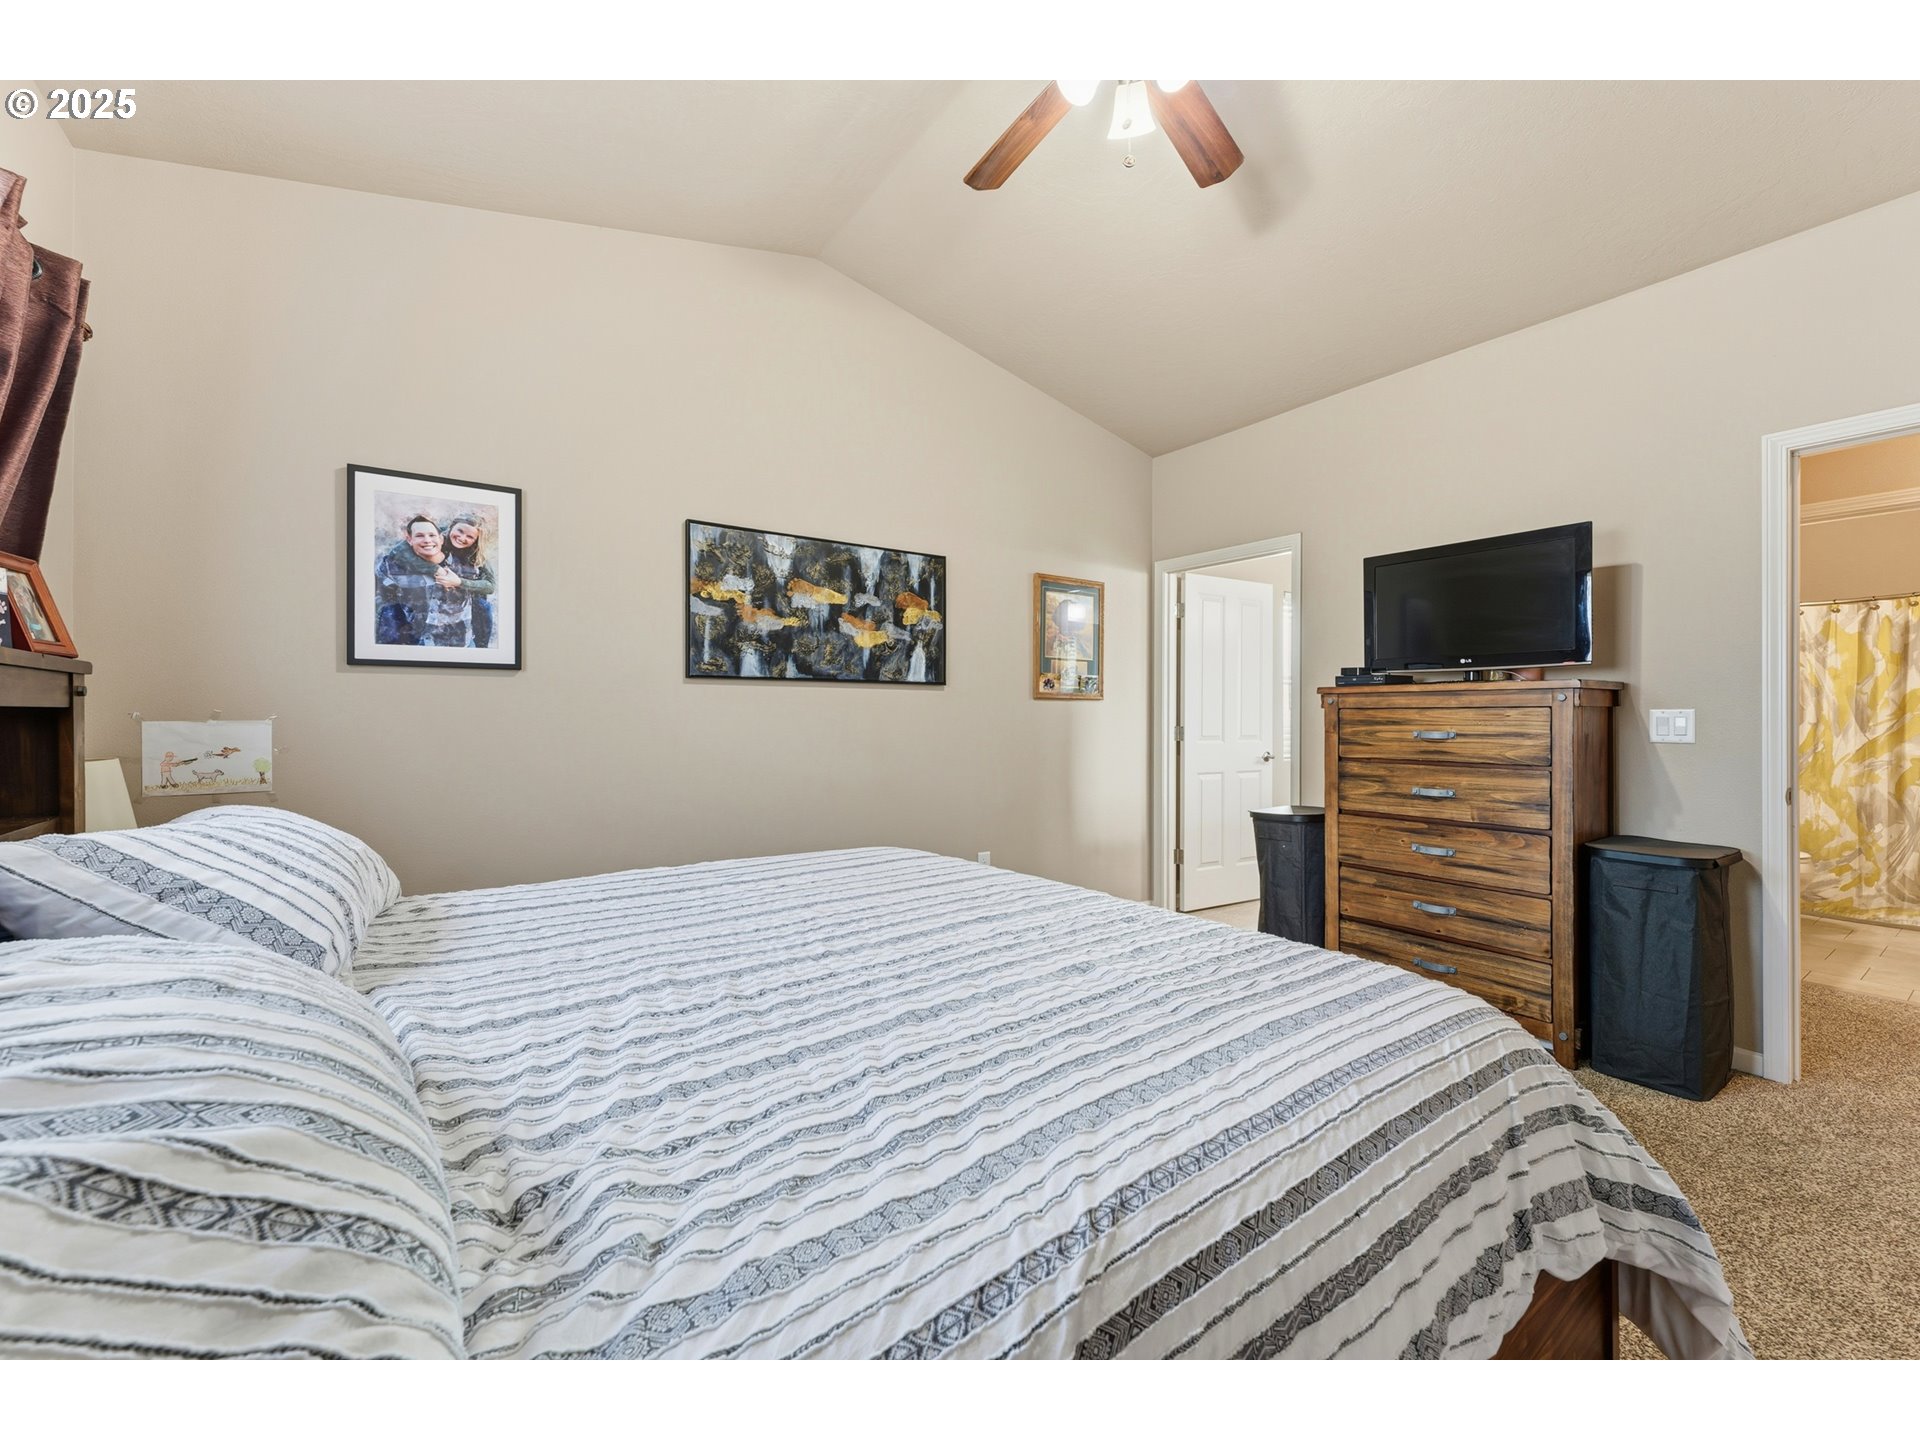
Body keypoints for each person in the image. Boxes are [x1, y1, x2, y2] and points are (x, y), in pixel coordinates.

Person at [374, 514, 472, 646]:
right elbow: (379, 598)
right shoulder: (391, 566)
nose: (427, 540)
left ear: (441, 539)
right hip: (409, 646)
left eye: (432, 535)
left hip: (456, 648)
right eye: (419, 536)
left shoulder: (464, 566)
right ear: (409, 540)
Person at [440, 514, 497, 648]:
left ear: (476, 540)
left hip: (467, 600)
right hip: (437, 596)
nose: (462, 538)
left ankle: (481, 649)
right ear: (451, 526)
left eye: (470, 537)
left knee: (484, 606)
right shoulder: (436, 540)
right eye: (460, 531)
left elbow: (490, 585)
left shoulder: (476, 554)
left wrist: (459, 582)